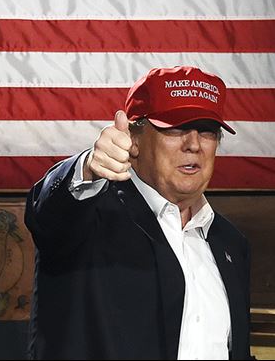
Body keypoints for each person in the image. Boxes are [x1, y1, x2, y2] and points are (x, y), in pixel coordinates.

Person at [25, 66, 253, 360]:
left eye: (207, 131)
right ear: (134, 140)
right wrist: (88, 166)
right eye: (175, 128)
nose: (194, 144)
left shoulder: (231, 243)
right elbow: (47, 215)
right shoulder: (90, 216)